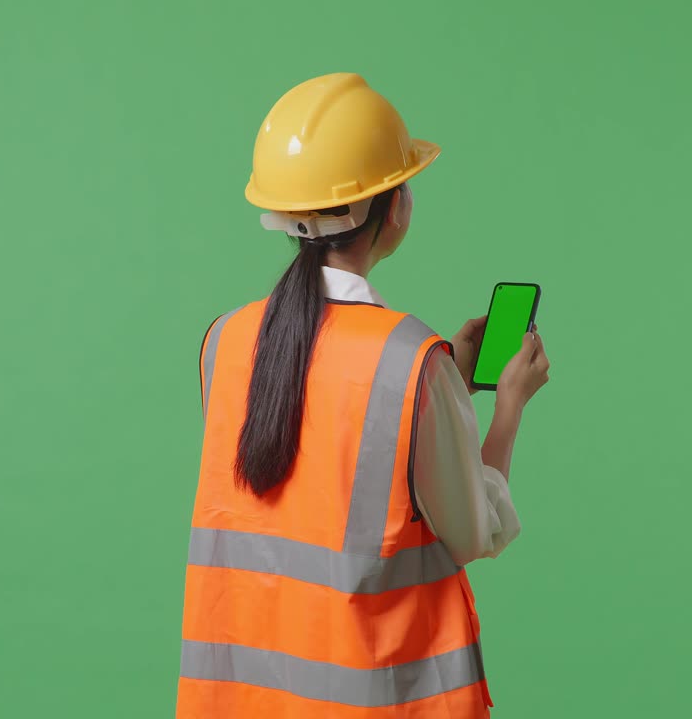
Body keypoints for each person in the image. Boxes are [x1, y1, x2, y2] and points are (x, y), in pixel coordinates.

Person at [176, 73, 551, 718]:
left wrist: (444, 396)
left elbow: (318, 466)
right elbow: (474, 532)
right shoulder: (410, 361)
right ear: (392, 206)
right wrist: (505, 406)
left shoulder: (225, 342)